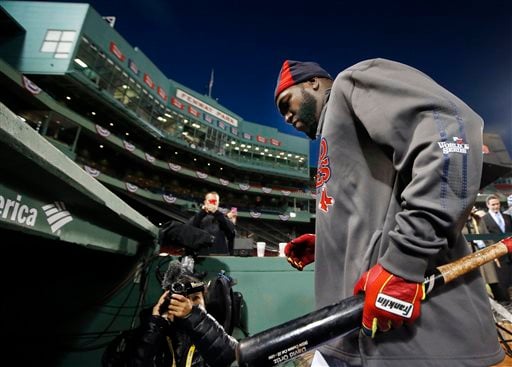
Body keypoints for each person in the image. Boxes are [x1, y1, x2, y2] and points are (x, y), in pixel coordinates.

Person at [276, 59, 503, 366]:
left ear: (313, 83)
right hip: (351, 339)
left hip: (417, 341)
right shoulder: (339, 131)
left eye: (286, 103)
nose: (287, 117)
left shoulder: (352, 82)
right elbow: (378, 210)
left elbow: (450, 129)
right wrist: (329, 244)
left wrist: (402, 262)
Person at [128, 271, 237, 367]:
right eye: (181, 300)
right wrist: (154, 325)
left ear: (205, 302)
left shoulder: (217, 335)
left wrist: (192, 316)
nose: (187, 305)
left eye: (195, 298)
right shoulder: (154, 335)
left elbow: (234, 358)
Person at [463, 206, 509, 303]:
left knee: (492, 277)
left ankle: (502, 299)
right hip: (469, 255)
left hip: (484, 252)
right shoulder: (459, 222)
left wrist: (493, 251)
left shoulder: (478, 219)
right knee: (477, 280)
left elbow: (487, 235)